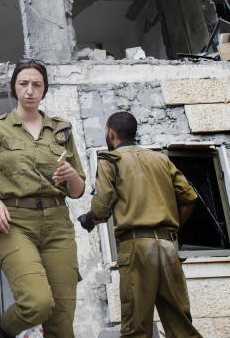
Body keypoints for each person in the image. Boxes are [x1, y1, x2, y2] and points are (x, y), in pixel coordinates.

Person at [0, 59, 86, 338]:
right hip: (14, 223)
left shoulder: (62, 129)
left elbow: (77, 190)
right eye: (23, 84)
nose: (30, 90)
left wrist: (70, 174)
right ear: (14, 88)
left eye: (37, 85)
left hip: (58, 224)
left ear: (44, 90)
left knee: (61, 319)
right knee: (37, 304)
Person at [79, 111, 202, 338]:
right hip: (167, 247)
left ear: (111, 132)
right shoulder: (160, 159)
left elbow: (101, 208)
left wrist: (89, 218)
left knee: (136, 328)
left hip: (136, 249)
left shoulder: (110, 160)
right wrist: (172, 230)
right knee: (181, 326)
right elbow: (189, 198)